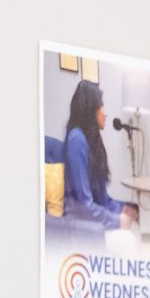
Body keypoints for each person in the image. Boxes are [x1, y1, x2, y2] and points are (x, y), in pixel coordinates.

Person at [59, 80, 137, 232]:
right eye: (101, 106)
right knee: (127, 236)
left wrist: (122, 209)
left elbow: (102, 197)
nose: (105, 113)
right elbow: (83, 204)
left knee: (132, 221)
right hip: (79, 223)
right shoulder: (77, 140)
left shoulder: (92, 141)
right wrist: (116, 220)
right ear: (89, 108)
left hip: (91, 218)